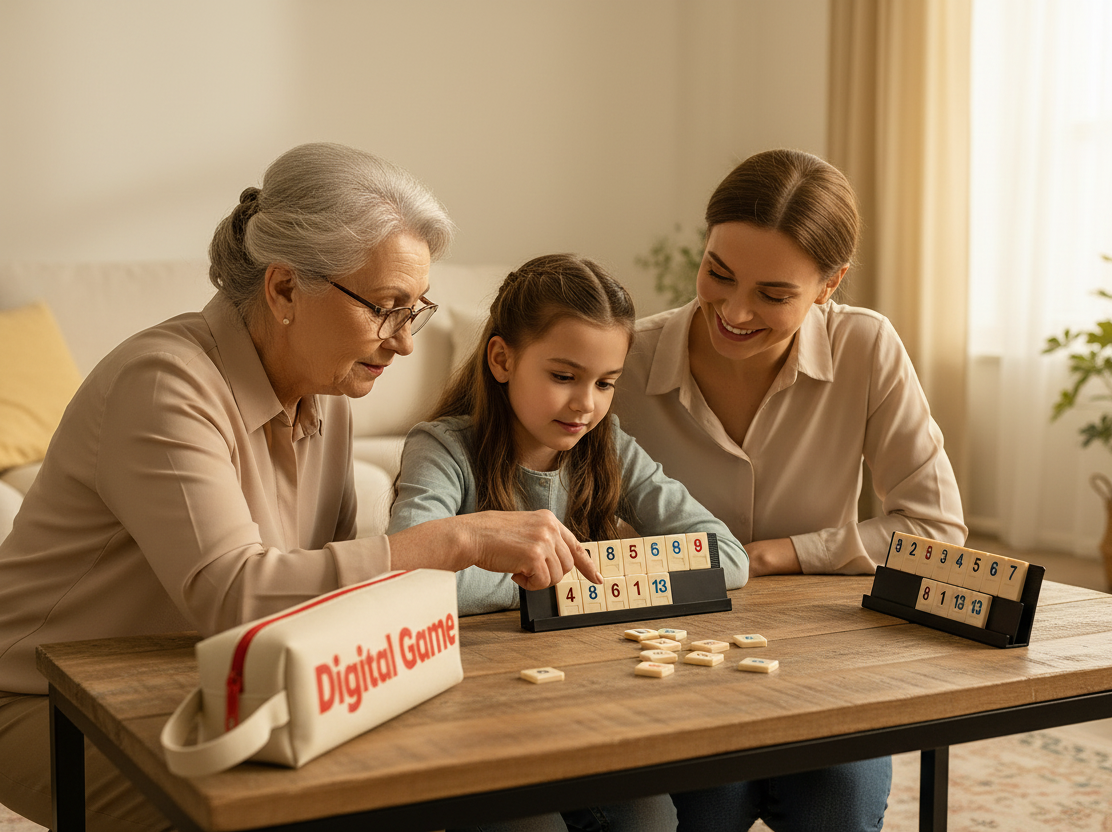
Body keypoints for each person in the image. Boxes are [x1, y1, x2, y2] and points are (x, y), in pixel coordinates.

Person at [0, 143, 596, 832]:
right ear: (284, 289)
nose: (403, 342)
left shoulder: (328, 395)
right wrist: (453, 539)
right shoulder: (164, 383)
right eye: (385, 307)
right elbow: (236, 595)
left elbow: (323, 604)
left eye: (415, 309)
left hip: (209, 685)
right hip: (45, 701)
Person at [614, 149, 967, 832]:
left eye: (774, 295)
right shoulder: (626, 362)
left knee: (838, 805)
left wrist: (771, 555)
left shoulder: (868, 348)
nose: (735, 311)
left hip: (824, 662)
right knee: (702, 808)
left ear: (829, 285)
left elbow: (934, 531)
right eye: (718, 273)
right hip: (670, 656)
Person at [387, 253, 749, 832]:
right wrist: (546, 581)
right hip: (477, 705)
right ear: (502, 360)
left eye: (606, 383)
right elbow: (407, 575)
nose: (587, 403)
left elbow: (727, 557)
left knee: (651, 818)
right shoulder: (443, 448)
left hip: (587, 697)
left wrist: (574, 578)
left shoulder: (608, 445)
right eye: (564, 376)